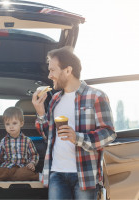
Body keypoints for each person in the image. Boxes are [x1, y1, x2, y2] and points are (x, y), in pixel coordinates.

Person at [32, 46, 116, 199]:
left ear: (68, 71)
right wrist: (40, 113)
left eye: (52, 70)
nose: (49, 75)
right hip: (57, 174)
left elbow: (109, 133)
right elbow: (48, 136)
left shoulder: (96, 96)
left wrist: (77, 138)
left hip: (84, 175)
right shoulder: (55, 100)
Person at [0, 107, 39, 181]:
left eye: (14, 123)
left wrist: (32, 163)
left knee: (22, 174)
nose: (11, 126)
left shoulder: (27, 140)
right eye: (7, 124)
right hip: (7, 168)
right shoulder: (3, 141)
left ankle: (37, 176)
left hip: (22, 168)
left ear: (21, 123)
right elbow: (0, 160)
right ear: (4, 125)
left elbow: (34, 155)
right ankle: (14, 177)